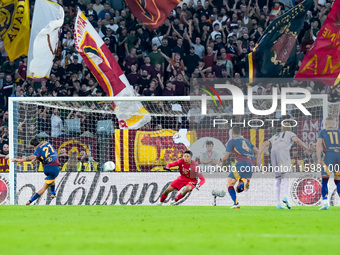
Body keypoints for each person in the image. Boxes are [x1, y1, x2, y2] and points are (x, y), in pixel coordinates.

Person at [257, 126, 312, 209]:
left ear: (282, 129)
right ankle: (286, 196)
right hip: (282, 152)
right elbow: (296, 140)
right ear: (290, 129)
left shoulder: (275, 135)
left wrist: (259, 154)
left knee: (278, 178)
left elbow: (264, 144)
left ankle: (278, 203)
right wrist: (306, 148)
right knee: (286, 175)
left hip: (273, 153)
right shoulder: (290, 133)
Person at [11, 136, 60, 205]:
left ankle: (52, 193)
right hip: (54, 167)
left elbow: (33, 156)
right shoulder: (47, 143)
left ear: (33, 146)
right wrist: (35, 159)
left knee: (50, 181)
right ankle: (31, 200)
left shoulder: (37, 150)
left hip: (47, 168)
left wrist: (18, 160)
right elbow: (45, 153)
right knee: (48, 183)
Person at [222, 126, 259, 209]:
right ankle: (245, 185)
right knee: (239, 188)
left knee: (229, 184)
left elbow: (225, 157)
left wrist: (222, 165)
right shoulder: (247, 141)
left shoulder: (232, 141)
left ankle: (236, 203)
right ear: (240, 132)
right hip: (251, 164)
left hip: (241, 163)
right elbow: (257, 151)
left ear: (232, 133)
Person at [316, 117, 340, 210]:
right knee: (338, 180)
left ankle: (325, 203)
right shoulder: (339, 131)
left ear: (325, 124)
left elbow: (318, 145)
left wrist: (319, 159)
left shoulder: (322, 132)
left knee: (325, 180)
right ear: (333, 124)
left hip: (329, 156)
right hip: (339, 155)